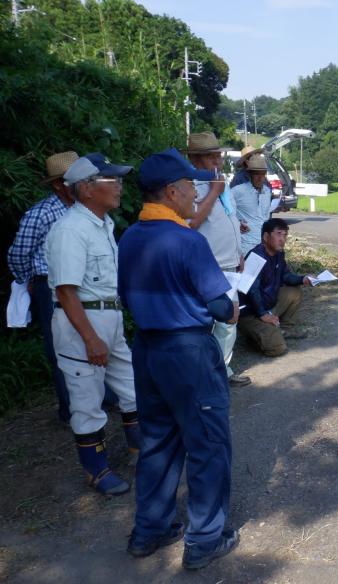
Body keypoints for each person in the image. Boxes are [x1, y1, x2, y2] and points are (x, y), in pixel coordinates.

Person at [118, 147, 240, 570]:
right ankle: (205, 538)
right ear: (171, 191)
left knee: (157, 442)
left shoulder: (130, 236)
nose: (194, 192)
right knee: (206, 443)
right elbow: (221, 307)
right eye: (190, 186)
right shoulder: (188, 240)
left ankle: (150, 529)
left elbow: (124, 294)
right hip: (187, 348)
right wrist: (233, 307)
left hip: (147, 349)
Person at [45, 153, 140, 496]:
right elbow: (66, 291)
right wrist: (90, 338)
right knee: (87, 399)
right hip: (82, 324)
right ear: (86, 189)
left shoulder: (102, 224)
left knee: (131, 387)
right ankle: (96, 471)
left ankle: (139, 451)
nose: (119, 187)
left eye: (119, 180)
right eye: (111, 181)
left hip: (107, 319)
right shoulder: (70, 230)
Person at [7, 151, 78, 422]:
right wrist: (30, 280)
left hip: (80, 284)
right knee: (60, 346)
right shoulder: (41, 213)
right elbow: (18, 253)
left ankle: (97, 399)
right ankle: (69, 409)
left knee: (86, 340)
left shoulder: (83, 208)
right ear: (60, 183)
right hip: (50, 286)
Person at [185, 132, 251, 388]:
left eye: (219, 155)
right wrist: (213, 191)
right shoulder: (191, 185)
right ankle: (201, 374)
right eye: (211, 156)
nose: (218, 160)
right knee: (205, 322)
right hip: (207, 266)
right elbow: (191, 224)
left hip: (230, 263)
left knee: (229, 321)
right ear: (195, 158)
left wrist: (239, 253)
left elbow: (228, 217)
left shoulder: (220, 182)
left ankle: (222, 369)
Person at [238, 218, 313, 356]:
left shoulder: (278, 254)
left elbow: (285, 276)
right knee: (278, 348)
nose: (283, 239)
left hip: (267, 306)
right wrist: (262, 314)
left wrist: (303, 279)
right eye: (279, 234)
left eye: (285, 235)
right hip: (249, 313)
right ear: (266, 237)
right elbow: (251, 290)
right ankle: (254, 338)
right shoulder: (256, 256)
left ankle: (285, 329)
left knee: (293, 292)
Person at [232, 153, 272, 254]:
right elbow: (224, 211)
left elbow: (266, 218)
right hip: (244, 247)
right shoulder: (238, 191)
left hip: (264, 246)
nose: (260, 178)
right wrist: (237, 223)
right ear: (250, 174)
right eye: (256, 174)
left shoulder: (267, 192)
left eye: (263, 174)